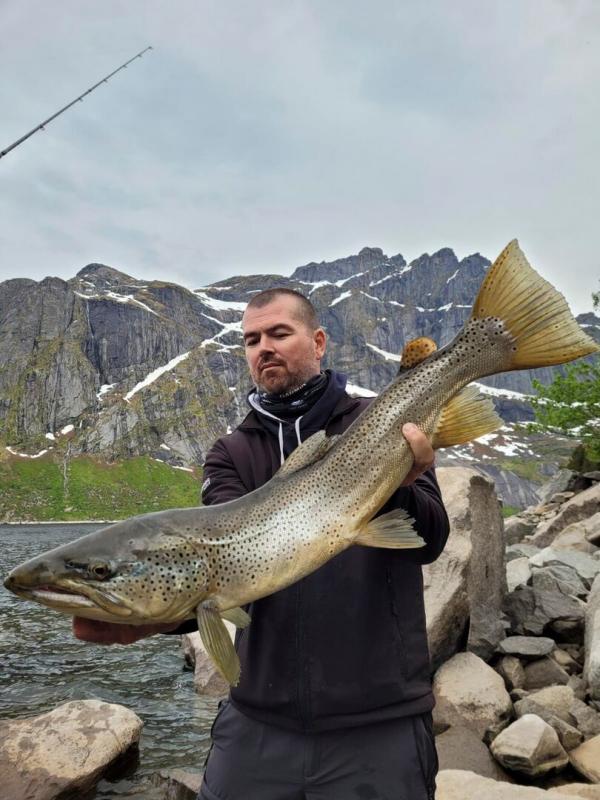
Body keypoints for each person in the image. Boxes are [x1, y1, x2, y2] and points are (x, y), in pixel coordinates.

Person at [74, 287, 450, 800]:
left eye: (278, 333)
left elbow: (430, 540)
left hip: (380, 723)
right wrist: (156, 617)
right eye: (252, 340)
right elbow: (217, 570)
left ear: (318, 342)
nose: (263, 348)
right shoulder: (230, 453)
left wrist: (403, 484)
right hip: (258, 724)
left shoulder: (380, 422)